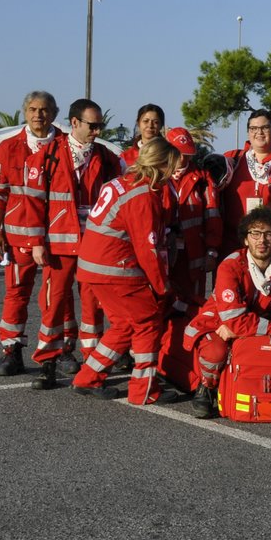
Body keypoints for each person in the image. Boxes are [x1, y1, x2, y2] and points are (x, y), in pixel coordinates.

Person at [69, 137, 178, 404]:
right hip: (115, 268)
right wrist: (161, 286)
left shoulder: (121, 183)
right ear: (160, 165)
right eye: (171, 167)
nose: (173, 173)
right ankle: (144, 390)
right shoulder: (144, 195)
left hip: (93, 267)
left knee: (123, 324)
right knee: (147, 320)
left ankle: (88, 376)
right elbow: (148, 249)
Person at [184, 206, 271, 418]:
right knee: (216, 352)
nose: (262, 240)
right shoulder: (230, 266)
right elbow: (234, 321)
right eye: (255, 234)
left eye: (269, 234)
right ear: (245, 239)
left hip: (253, 326)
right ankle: (206, 388)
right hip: (218, 324)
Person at [0, 91, 80, 378]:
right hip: (18, 238)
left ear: (54, 113)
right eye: (32, 109)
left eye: (44, 110)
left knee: (60, 295)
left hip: (58, 235)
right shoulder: (8, 147)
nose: (38, 114)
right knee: (16, 293)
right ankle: (11, 351)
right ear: (24, 112)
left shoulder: (67, 145)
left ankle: (64, 350)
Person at [53, 98, 123, 386]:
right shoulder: (51, 154)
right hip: (59, 238)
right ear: (74, 123)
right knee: (57, 298)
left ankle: (92, 358)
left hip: (95, 240)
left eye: (100, 126)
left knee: (93, 299)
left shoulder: (106, 157)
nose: (97, 131)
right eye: (92, 126)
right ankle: (60, 352)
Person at [160, 127, 222, 313]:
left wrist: (212, 251)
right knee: (164, 307)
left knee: (194, 307)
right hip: (164, 256)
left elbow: (213, 216)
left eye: (187, 154)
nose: (182, 158)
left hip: (193, 257)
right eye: (178, 153)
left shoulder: (202, 179)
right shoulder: (157, 175)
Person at [218, 110, 271, 254]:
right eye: (253, 128)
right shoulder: (233, 159)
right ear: (248, 132)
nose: (259, 132)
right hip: (234, 243)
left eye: (265, 127)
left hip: (270, 245)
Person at [118, 103, 164, 169]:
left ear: (161, 125)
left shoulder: (169, 155)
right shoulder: (125, 157)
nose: (150, 126)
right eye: (145, 121)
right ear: (138, 123)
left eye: (156, 122)